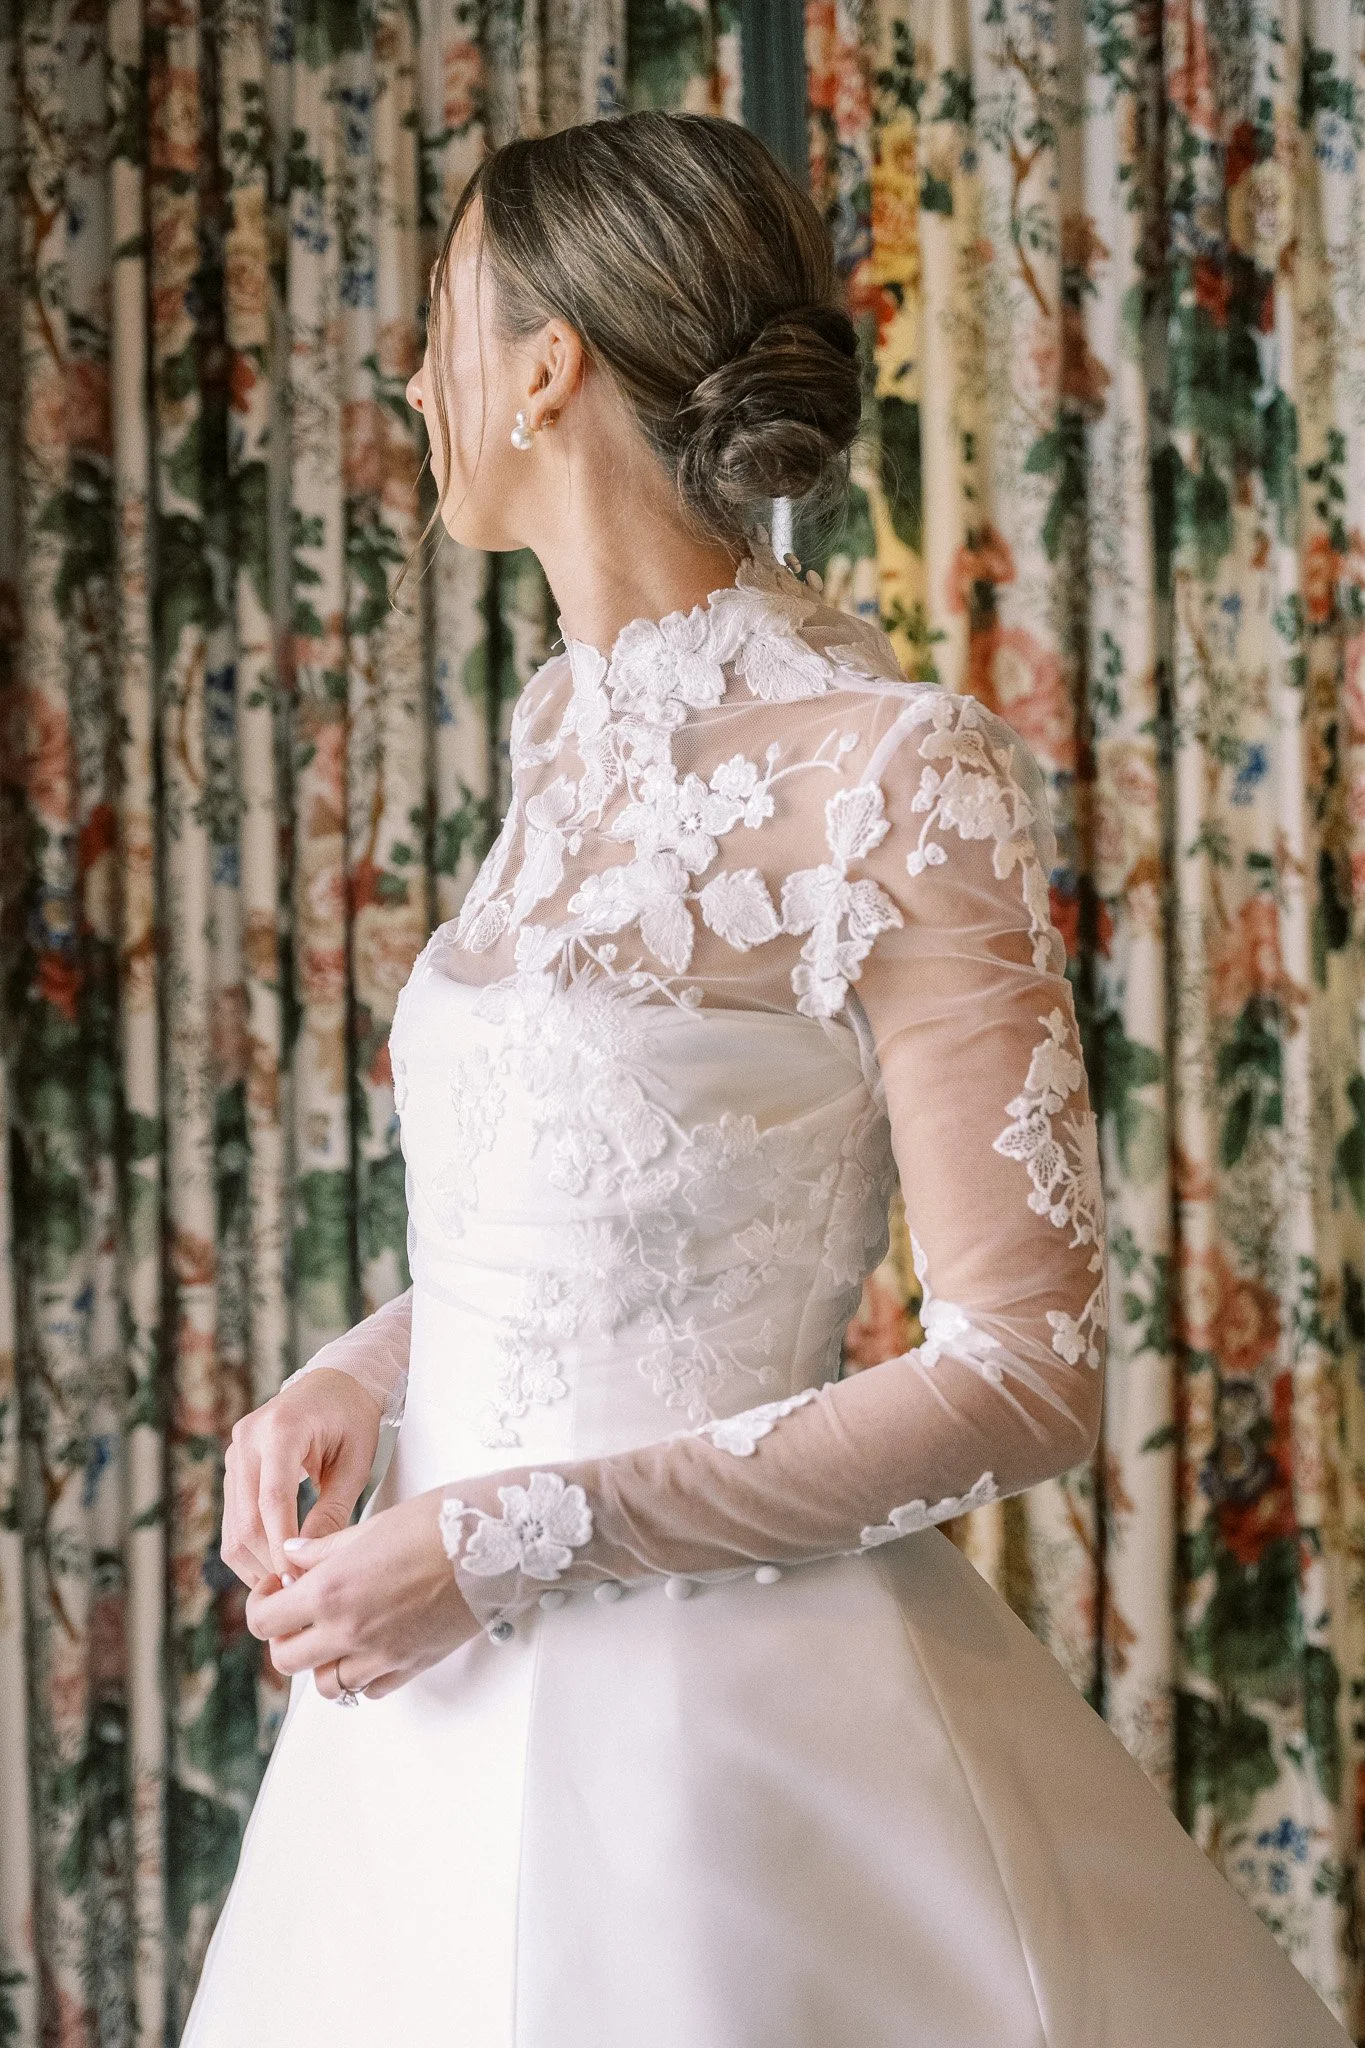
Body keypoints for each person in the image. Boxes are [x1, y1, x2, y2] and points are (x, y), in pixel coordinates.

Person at [180, 111, 1350, 2048]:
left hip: (718, 1753)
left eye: (445, 320)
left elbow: (1027, 1369)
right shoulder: (559, 732)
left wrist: (506, 1538)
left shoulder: (893, 770)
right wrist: (360, 1377)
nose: (412, 378)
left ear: (545, 370)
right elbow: (597, 1221)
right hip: (410, 1726)